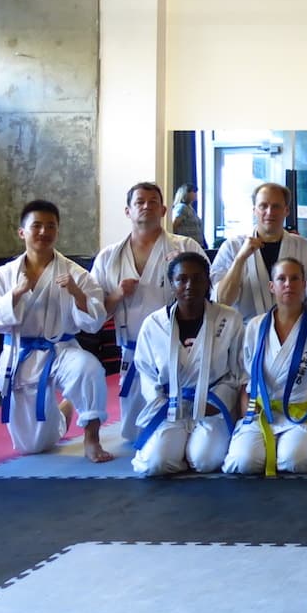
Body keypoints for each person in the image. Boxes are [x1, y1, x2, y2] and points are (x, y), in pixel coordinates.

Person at [0, 199, 112, 463]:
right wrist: (16, 293)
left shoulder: (75, 274)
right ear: (22, 232)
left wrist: (76, 293)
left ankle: (92, 438)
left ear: (57, 231)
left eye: (50, 226)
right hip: (21, 353)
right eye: (36, 225)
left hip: (62, 350)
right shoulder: (2, 276)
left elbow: (95, 320)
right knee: (33, 445)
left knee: (89, 368)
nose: (43, 232)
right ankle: (64, 410)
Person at [93, 182, 206, 441]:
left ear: (164, 210)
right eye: (139, 202)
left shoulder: (185, 247)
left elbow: (209, 294)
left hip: (179, 349)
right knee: (134, 433)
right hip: (132, 352)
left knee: (182, 427)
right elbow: (95, 314)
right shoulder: (109, 257)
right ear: (127, 211)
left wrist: (184, 272)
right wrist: (116, 294)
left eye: (153, 202)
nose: (146, 206)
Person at [131, 252, 244, 476]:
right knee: (155, 464)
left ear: (208, 282)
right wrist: (162, 402)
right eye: (182, 279)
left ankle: (187, 450)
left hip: (212, 407)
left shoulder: (229, 319)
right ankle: (178, 450)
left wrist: (216, 402)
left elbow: (236, 372)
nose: (190, 285)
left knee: (205, 461)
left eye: (197, 278)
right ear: (172, 284)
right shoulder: (154, 324)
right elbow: (146, 372)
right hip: (170, 407)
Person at [223, 257, 307, 476]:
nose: (288, 284)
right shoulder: (255, 326)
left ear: (304, 284)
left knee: (297, 460)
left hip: (305, 413)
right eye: (281, 279)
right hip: (262, 412)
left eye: (294, 279)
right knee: (243, 462)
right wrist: (247, 411)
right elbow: (245, 377)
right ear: (271, 286)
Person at [211, 182, 307, 320]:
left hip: (292, 327)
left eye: (276, 206)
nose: (270, 212)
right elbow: (221, 301)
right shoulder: (233, 246)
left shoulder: (302, 246)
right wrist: (240, 259)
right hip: (244, 330)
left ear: (286, 210)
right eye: (263, 206)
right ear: (254, 210)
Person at [171, 183, 206, 248]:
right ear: (186, 193)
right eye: (193, 191)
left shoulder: (190, 208)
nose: (195, 194)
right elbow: (174, 226)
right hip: (186, 246)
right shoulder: (182, 207)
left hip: (196, 245)